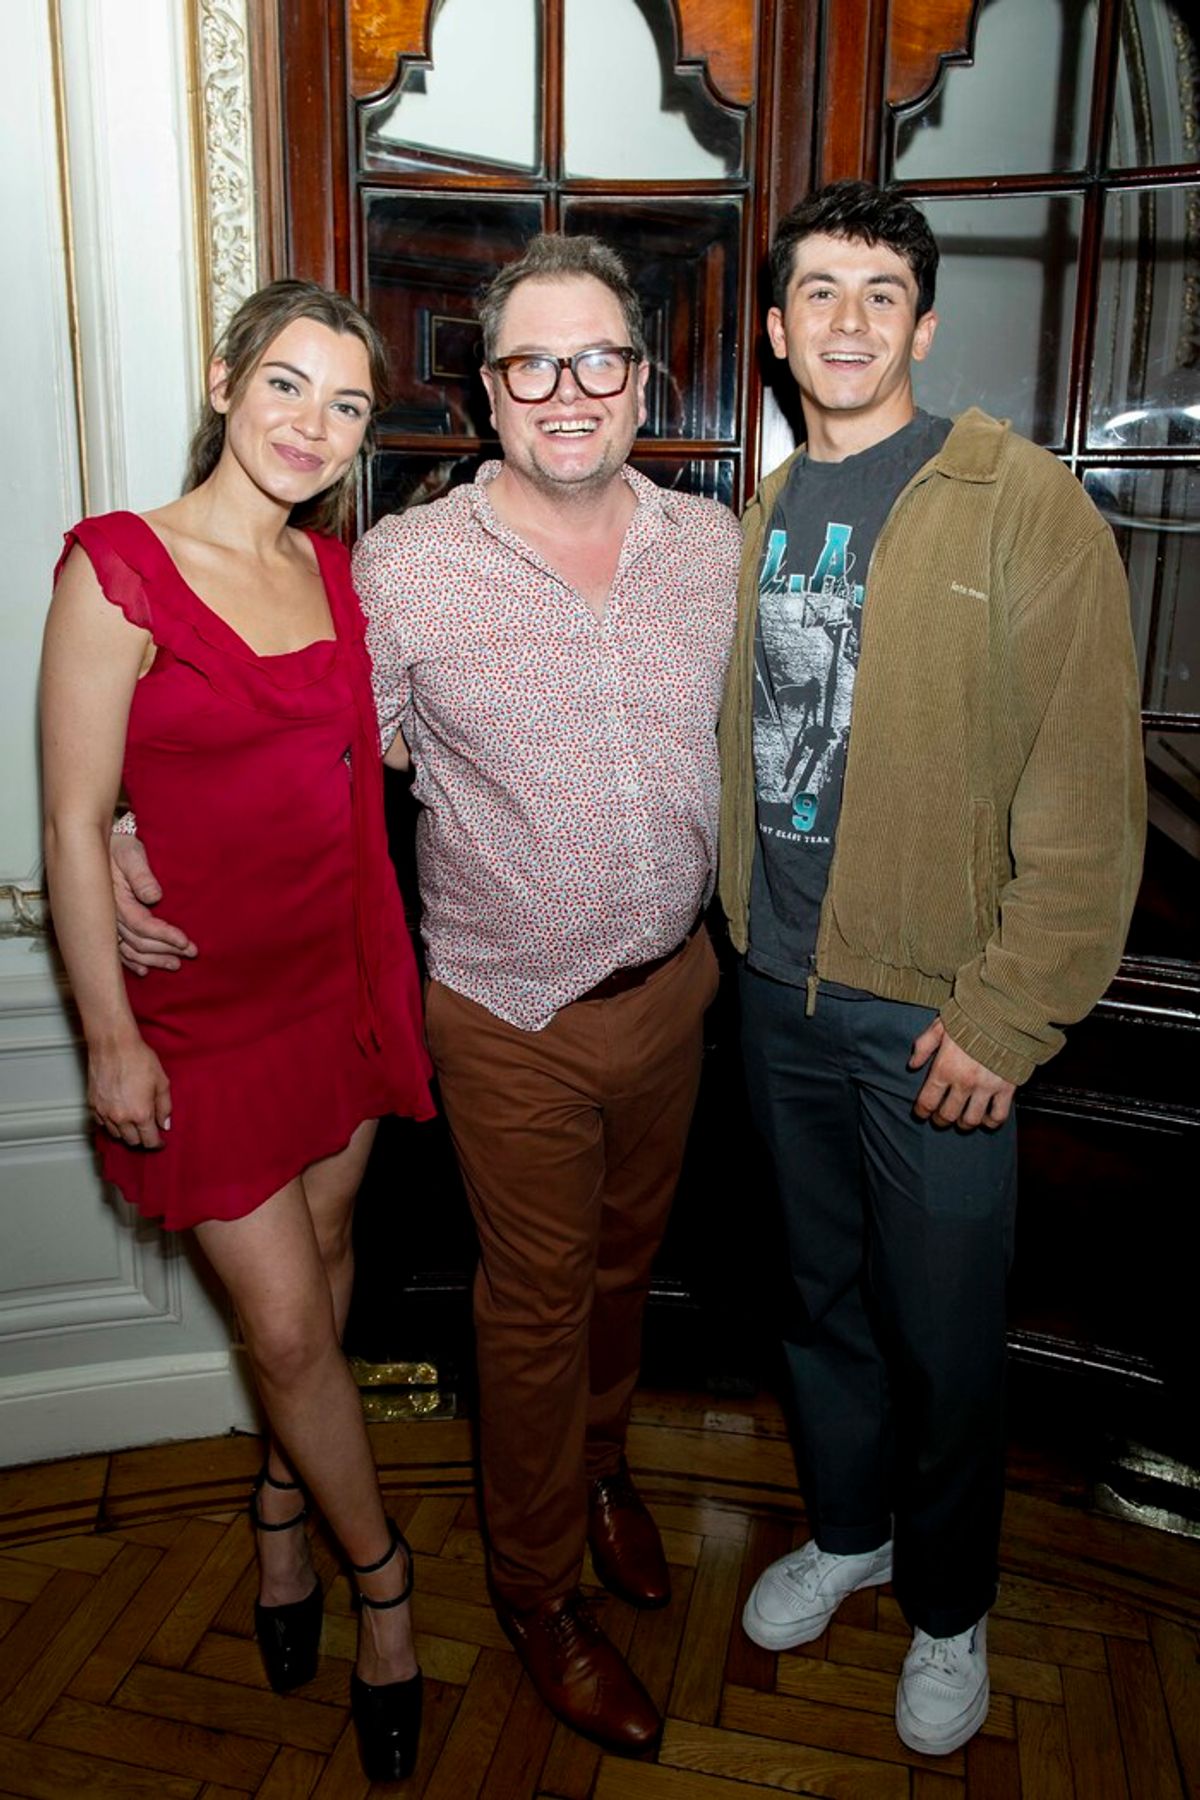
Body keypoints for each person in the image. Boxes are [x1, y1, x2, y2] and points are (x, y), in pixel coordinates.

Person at [111, 235, 742, 1755]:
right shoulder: (403, 568)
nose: (569, 391)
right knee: (530, 1308)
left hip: (678, 989)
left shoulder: (715, 545)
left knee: (619, 1273)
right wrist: (136, 820)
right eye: (533, 362)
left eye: (600, 359)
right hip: (505, 1007)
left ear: (643, 381)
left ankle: (597, 1474)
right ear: (487, 390)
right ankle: (535, 1592)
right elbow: (284, 721)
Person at [719, 181, 1146, 1757]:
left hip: (937, 1016)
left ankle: (952, 1606)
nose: (846, 321)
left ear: (924, 321)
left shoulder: (1015, 499)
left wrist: (1009, 1014)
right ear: (774, 331)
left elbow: (1085, 792)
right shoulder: (756, 521)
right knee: (818, 1302)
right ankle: (851, 1531)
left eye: (879, 293)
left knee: (947, 1332)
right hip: (776, 992)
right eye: (818, 292)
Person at [42, 280, 435, 1784]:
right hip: (197, 1020)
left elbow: (351, 767)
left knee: (318, 1303)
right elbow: (76, 825)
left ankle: (281, 1514)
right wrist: (107, 1036)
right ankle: (383, 1588)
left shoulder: (337, 574)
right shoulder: (118, 569)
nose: (312, 426)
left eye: (344, 405)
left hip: (334, 987)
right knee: (283, 1325)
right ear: (224, 382)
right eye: (287, 385)